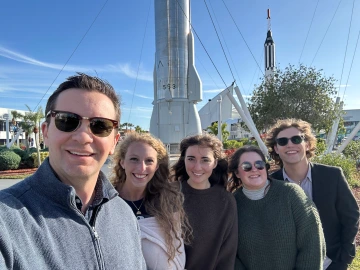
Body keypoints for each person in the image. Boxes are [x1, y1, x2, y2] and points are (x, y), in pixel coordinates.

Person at [0, 73, 146, 269]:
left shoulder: (124, 214)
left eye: (100, 125)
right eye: (67, 121)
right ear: (46, 132)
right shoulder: (6, 221)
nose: (83, 137)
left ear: (114, 142)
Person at [266, 118, 360, 270]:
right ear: (276, 148)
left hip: (330, 263)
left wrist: (344, 259)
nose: (290, 144)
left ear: (307, 144)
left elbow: (351, 217)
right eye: (282, 141)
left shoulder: (332, 176)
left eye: (296, 139)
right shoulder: (271, 184)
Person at [229, 145, 326, 270]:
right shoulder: (232, 204)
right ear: (237, 173)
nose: (254, 169)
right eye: (246, 167)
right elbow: (231, 253)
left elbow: (312, 244)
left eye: (259, 164)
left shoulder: (291, 194)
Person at [111, 132, 191, 269]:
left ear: (157, 166)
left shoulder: (167, 202)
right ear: (122, 162)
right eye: (134, 159)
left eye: (149, 161)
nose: (141, 168)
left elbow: (175, 255)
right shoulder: (106, 202)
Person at [172, 134, 238, 270]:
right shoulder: (168, 194)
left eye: (205, 160)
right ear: (184, 160)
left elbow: (227, 254)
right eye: (191, 159)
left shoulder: (225, 200)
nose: (197, 167)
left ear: (215, 163)